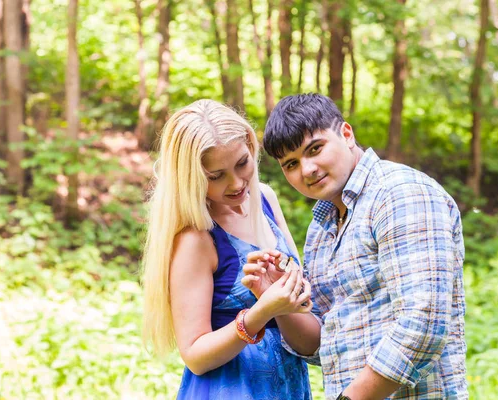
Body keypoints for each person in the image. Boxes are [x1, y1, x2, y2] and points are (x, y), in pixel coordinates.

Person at [246, 93, 468, 399]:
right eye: (291, 164)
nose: (307, 169)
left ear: (346, 134)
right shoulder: (321, 227)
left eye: (315, 149)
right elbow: (320, 345)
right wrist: (279, 302)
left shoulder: (399, 193)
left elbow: (423, 324)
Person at [140, 99, 315, 399]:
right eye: (216, 176)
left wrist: (279, 300)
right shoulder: (197, 238)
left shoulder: (266, 201)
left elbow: (308, 342)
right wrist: (260, 312)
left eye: (242, 163)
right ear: (191, 177)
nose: (236, 184)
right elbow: (194, 355)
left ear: (250, 146)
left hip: (288, 387)